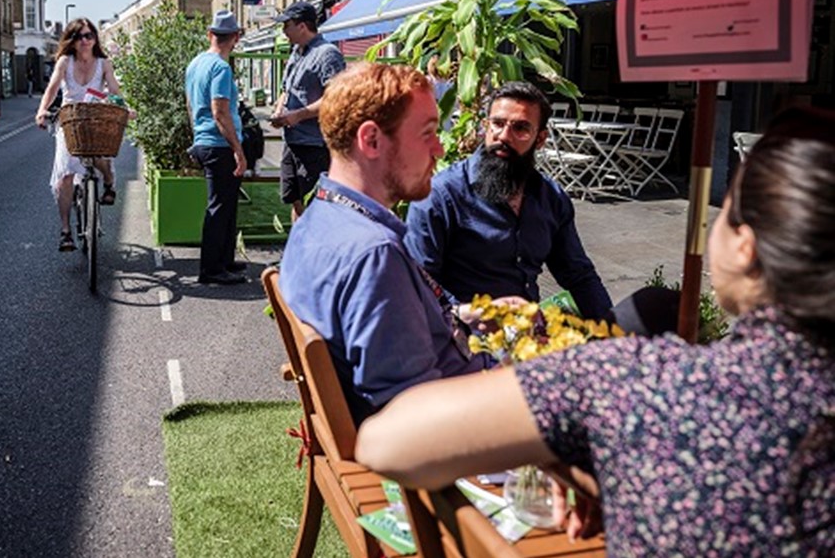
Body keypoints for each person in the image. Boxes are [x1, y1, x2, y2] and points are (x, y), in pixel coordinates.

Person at [357, 106, 835, 556]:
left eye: (724, 211)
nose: (503, 136)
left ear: (745, 248)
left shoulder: (639, 382)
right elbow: (426, 278)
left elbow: (386, 442)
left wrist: (594, 367)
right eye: (495, 124)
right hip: (470, 335)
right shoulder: (445, 193)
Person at [280, 63, 492, 425]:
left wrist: (457, 317)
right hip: (467, 428)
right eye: (427, 133)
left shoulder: (318, 220)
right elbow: (416, 418)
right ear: (372, 140)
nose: (440, 149)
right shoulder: (374, 257)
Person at [405, 80, 673, 330]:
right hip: (462, 339)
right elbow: (419, 288)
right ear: (485, 127)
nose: (504, 136)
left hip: (530, 334)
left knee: (658, 307)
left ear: (540, 139)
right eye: (497, 124)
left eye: (520, 128)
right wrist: (476, 314)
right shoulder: (440, 197)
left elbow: (578, 275)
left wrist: (608, 335)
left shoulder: (550, 198)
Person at [35, 18, 122, 252]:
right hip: (70, 121)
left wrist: (124, 107)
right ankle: (66, 232)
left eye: (89, 36)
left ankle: (109, 182)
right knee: (65, 176)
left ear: (95, 39)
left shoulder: (104, 63)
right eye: (79, 37)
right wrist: (42, 110)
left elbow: (114, 90)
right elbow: (52, 88)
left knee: (101, 157)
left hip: (95, 118)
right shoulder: (65, 61)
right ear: (72, 42)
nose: (85, 41)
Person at [185, 10, 248, 285]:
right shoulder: (221, 68)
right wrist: (238, 149)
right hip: (220, 144)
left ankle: (224, 261)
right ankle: (211, 270)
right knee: (219, 207)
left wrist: (196, 135)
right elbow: (220, 112)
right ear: (235, 38)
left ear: (211, 35)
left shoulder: (195, 64)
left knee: (226, 205)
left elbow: (190, 105)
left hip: (204, 140)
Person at [270, 1, 346, 221]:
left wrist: (297, 115)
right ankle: (298, 249)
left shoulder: (327, 54)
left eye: (287, 25)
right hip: (293, 141)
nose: (284, 31)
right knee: (295, 199)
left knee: (315, 205)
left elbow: (335, 99)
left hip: (314, 145)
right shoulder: (296, 52)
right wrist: (279, 110)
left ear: (302, 26)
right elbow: (286, 89)